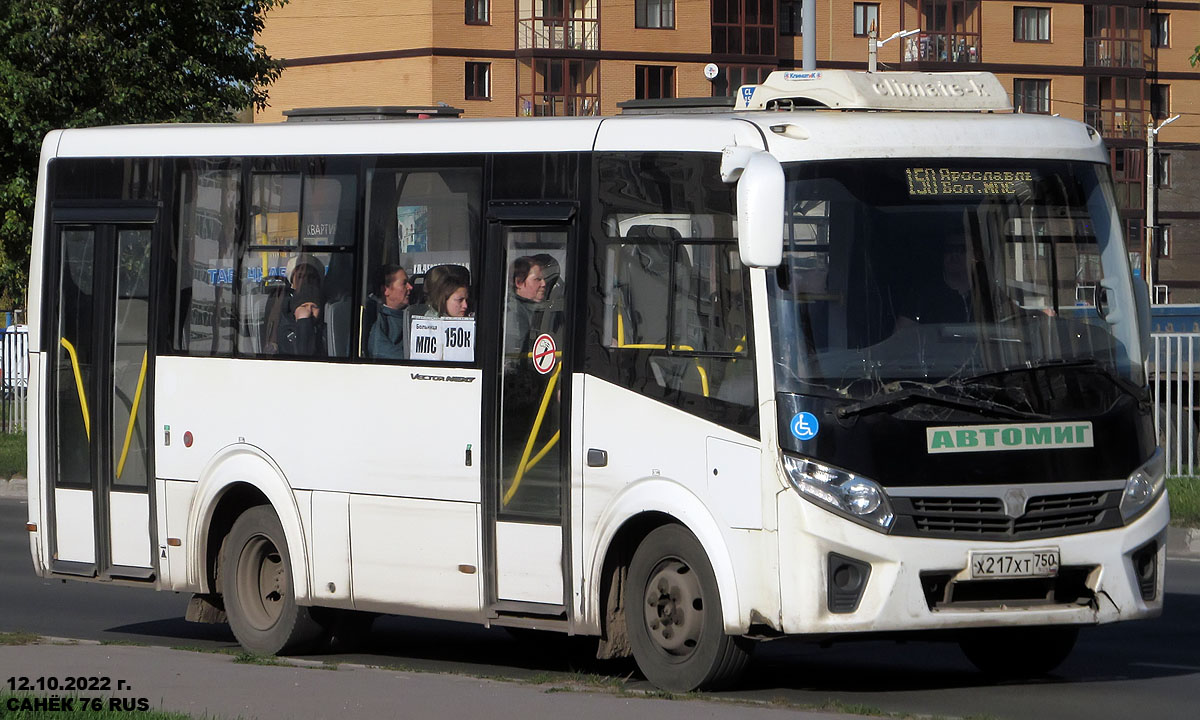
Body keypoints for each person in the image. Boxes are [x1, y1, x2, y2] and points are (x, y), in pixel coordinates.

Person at [504, 256, 547, 357]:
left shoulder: (537, 309)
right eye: (538, 279)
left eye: (544, 279)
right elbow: (513, 356)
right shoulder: (512, 314)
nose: (543, 284)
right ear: (519, 282)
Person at [367, 264, 413, 359]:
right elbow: (378, 351)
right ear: (386, 290)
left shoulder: (412, 314)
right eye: (404, 283)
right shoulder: (378, 320)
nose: (410, 287)